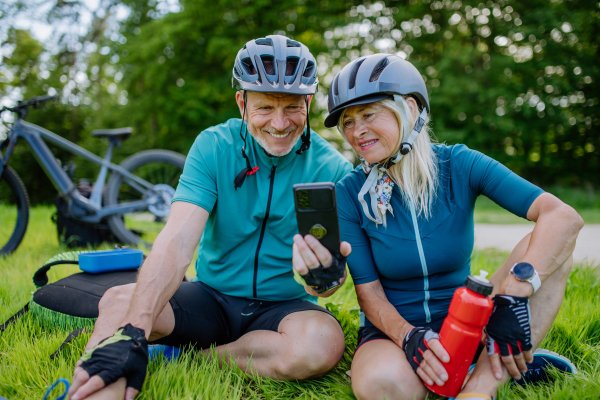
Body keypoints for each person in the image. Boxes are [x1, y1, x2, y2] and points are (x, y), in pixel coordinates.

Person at [68, 35, 352, 400]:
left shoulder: (334, 169)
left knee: (322, 344)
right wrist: (134, 333)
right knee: (121, 304)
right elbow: (176, 241)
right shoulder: (213, 145)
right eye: (265, 107)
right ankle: (98, 387)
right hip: (210, 299)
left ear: (309, 103)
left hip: (285, 310)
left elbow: (325, 285)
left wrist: (321, 281)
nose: (280, 124)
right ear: (242, 102)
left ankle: (193, 359)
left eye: (293, 108)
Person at [293, 53, 583, 400]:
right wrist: (408, 337)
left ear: (411, 108)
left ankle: (477, 388)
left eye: (369, 115)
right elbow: (369, 293)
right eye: (348, 122)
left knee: (553, 245)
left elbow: (562, 216)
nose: (357, 131)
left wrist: (513, 296)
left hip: (473, 317)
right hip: (393, 334)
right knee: (382, 385)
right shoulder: (350, 193)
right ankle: (491, 367)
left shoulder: (459, 163)